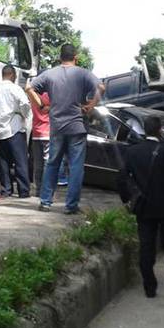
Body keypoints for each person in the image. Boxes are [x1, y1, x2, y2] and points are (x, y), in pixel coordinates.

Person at [26, 44, 105, 214]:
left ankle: (45, 202)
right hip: (77, 126)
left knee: (52, 164)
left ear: (60, 57)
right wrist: (90, 106)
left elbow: (29, 88)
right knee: (76, 167)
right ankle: (71, 206)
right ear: (75, 57)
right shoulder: (83, 73)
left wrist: (41, 105)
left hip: (56, 127)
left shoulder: (49, 74)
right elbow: (101, 87)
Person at [117, 116, 164, 299]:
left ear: (144, 130)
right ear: (160, 130)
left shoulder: (132, 152)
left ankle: (149, 287)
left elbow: (122, 177)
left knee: (146, 247)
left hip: (143, 207)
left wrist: (127, 200)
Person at [0, 65, 31, 198]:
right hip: (15, 129)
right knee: (20, 161)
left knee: (4, 162)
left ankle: (6, 190)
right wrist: (23, 115)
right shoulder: (15, 88)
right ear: (13, 75)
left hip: (1, 130)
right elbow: (25, 104)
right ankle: (23, 190)